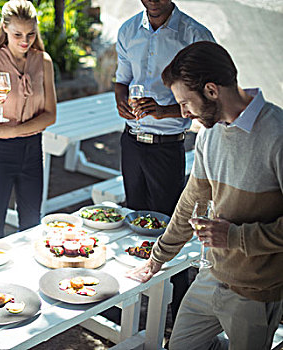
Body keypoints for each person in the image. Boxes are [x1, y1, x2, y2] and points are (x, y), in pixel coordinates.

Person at [129, 41, 283, 349]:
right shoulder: (209, 134)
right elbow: (190, 202)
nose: (183, 112)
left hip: (255, 289)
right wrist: (157, 257)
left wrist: (236, 237)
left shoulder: (277, 134)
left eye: (186, 103)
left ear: (211, 90)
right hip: (211, 274)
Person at [114, 0, 215, 322]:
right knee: (133, 223)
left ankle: (178, 308)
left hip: (167, 147)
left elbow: (210, 98)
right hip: (130, 141)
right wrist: (120, 100)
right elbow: (122, 79)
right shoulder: (128, 29)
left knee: (170, 227)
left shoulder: (195, 35)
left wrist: (164, 110)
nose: (153, 1)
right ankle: (128, 300)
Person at [0, 0, 57, 240]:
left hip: (32, 150)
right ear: (5, 29)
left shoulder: (43, 62)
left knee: (32, 224)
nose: (25, 40)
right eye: (18, 34)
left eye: (31, 34)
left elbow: (51, 115)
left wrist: (13, 131)